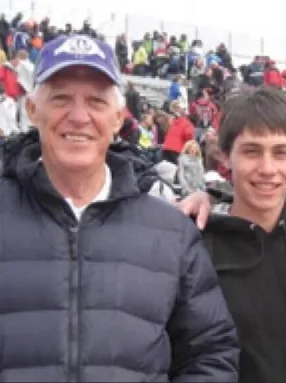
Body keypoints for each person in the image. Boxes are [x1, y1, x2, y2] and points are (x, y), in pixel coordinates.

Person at [0, 34, 238, 382]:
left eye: (96, 102)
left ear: (117, 118)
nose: (78, 116)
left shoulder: (170, 233)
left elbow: (210, 352)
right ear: (33, 110)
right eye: (61, 98)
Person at [179, 87, 286, 383]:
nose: (267, 168)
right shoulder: (193, 248)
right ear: (225, 157)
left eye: (281, 152)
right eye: (251, 151)